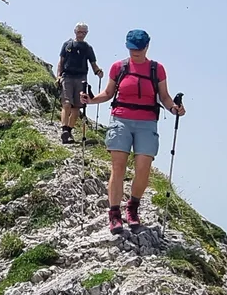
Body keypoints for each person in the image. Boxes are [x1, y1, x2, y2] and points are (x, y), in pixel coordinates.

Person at [83, 29, 184, 233]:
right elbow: (109, 93)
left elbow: (164, 97)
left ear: (146, 47)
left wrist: (174, 108)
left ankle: (133, 207)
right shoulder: (119, 67)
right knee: (118, 167)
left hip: (147, 123)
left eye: (138, 49)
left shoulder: (157, 69)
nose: (134, 52)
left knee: (143, 170)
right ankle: (114, 214)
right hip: (121, 119)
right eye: (131, 48)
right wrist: (91, 100)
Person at [54, 23, 103, 144]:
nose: (81, 34)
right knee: (66, 103)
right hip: (67, 77)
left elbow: (93, 63)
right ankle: (64, 129)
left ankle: (69, 131)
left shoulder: (88, 48)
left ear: (86, 33)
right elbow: (61, 61)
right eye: (79, 32)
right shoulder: (67, 45)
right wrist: (58, 76)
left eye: (84, 32)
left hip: (81, 78)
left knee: (77, 107)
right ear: (75, 31)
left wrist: (98, 72)